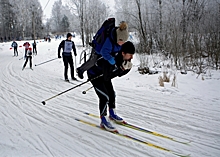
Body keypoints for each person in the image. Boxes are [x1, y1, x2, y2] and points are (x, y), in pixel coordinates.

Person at [87, 41, 135, 132]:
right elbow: (108, 76)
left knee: (112, 94)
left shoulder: (123, 58)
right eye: (130, 55)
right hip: (95, 75)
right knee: (105, 97)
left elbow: (118, 74)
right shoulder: (111, 57)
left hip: (104, 76)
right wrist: (121, 69)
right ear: (123, 53)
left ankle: (112, 113)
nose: (131, 57)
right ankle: (103, 120)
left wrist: (125, 70)